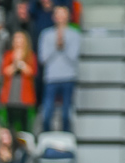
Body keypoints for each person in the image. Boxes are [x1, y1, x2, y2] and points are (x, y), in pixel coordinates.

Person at [38, 5, 80, 133]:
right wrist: (56, 45)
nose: (60, 17)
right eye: (58, 14)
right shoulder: (46, 34)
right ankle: (46, 136)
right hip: (51, 78)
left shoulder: (75, 35)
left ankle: (67, 137)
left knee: (66, 113)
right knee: (47, 112)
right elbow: (43, 58)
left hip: (68, 77)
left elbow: (73, 57)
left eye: (63, 14)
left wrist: (63, 45)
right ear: (54, 17)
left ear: (68, 16)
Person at [0, 30, 37, 133]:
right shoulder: (8, 55)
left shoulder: (30, 55)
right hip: (11, 94)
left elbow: (31, 72)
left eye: (20, 38)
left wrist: (21, 63)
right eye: (16, 38)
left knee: (25, 124)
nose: (18, 41)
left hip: (24, 95)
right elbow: (5, 72)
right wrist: (15, 63)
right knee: (10, 123)